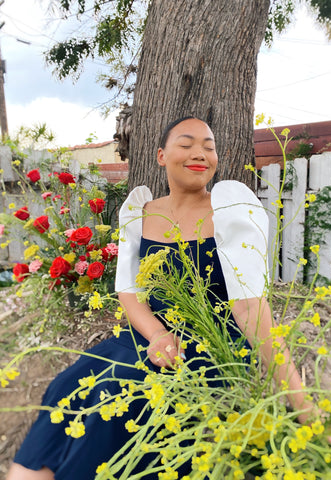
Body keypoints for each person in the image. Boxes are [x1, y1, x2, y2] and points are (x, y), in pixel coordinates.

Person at [7, 116, 312, 480]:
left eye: (209, 146)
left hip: (213, 347)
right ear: (161, 155)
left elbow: (249, 309)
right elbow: (129, 292)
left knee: (118, 391)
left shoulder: (232, 210)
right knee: (67, 384)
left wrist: (303, 405)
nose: (200, 153)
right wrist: (157, 335)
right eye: (186, 144)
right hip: (150, 337)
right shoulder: (141, 212)